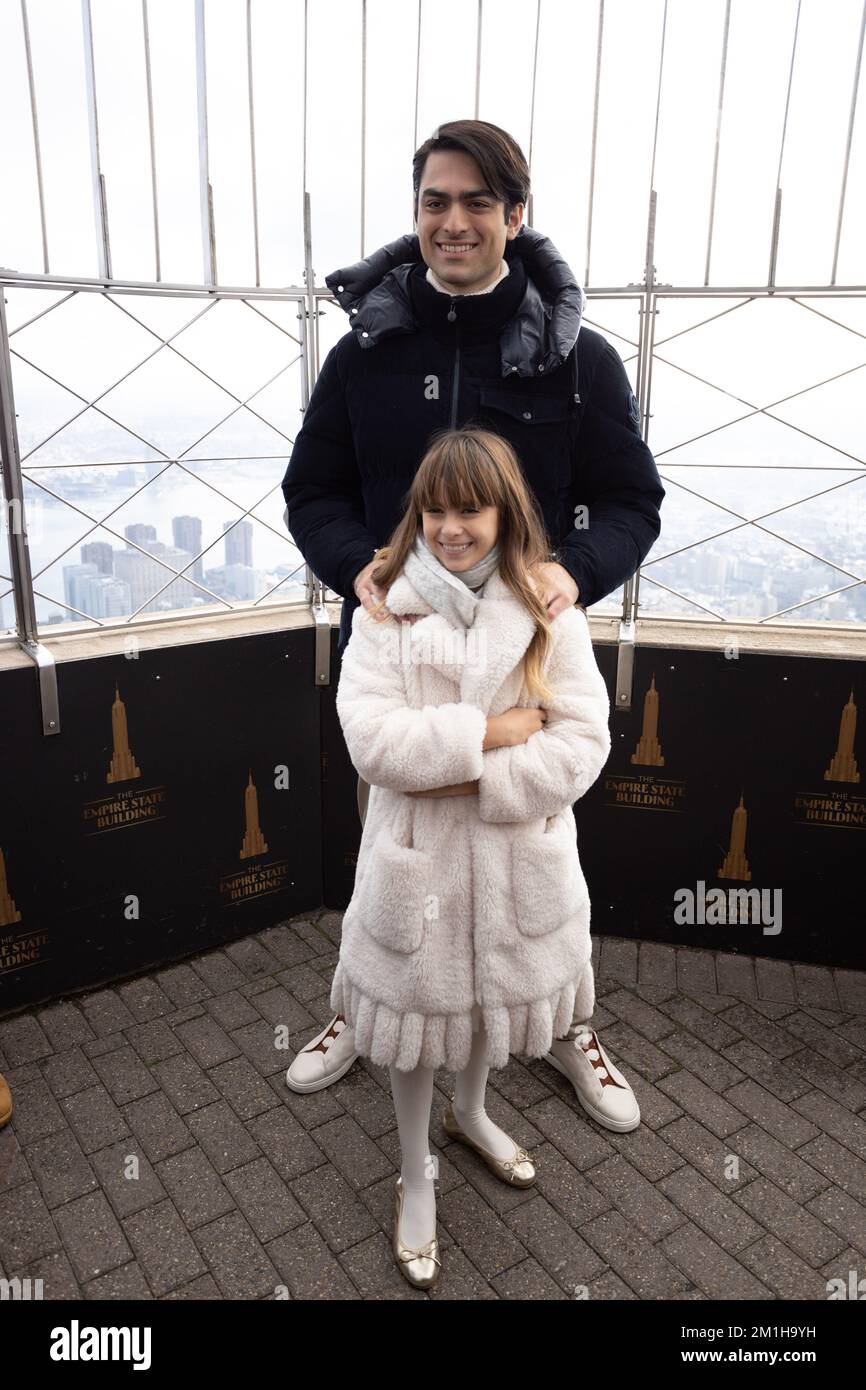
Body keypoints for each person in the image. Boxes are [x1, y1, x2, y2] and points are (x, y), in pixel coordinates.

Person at [282, 118, 663, 1134]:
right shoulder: (365, 353)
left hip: (524, 665)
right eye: (432, 202)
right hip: (401, 646)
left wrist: (563, 573)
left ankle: (565, 1017)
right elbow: (311, 488)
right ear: (415, 215)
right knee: (390, 849)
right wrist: (352, 565)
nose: (451, 223)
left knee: (539, 844)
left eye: (475, 203)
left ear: (513, 215)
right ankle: (364, 1007)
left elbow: (632, 501)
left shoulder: (577, 357)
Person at [331, 425, 613, 1286]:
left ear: (503, 513)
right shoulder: (385, 607)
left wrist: (463, 779)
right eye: (437, 510)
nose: (452, 529)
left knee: (486, 1006)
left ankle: (472, 1113)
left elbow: (584, 741)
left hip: (512, 862)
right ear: (418, 513)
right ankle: (416, 1172)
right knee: (415, 1030)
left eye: (471, 510)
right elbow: (372, 744)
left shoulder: (548, 612)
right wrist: (490, 735)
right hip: (417, 871)